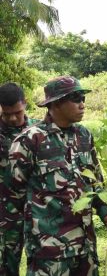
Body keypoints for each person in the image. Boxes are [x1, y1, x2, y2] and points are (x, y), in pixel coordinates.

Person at [0, 76, 107, 275]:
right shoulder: (29, 141)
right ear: (56, 103)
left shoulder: (84, 136)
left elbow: (95, 181)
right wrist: (14, 248)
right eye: (75, 99)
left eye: (83, 98)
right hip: (49, 249)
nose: (82, 104)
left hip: (85, 246)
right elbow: (12, 198)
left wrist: (105, 212)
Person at [0, 83, 39, 275]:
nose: (13, 118)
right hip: (4, 215)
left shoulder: (38, 132)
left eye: (18, 112)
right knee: (6, 265)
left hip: (37, 212)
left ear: (25, 103)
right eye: (7, 114)